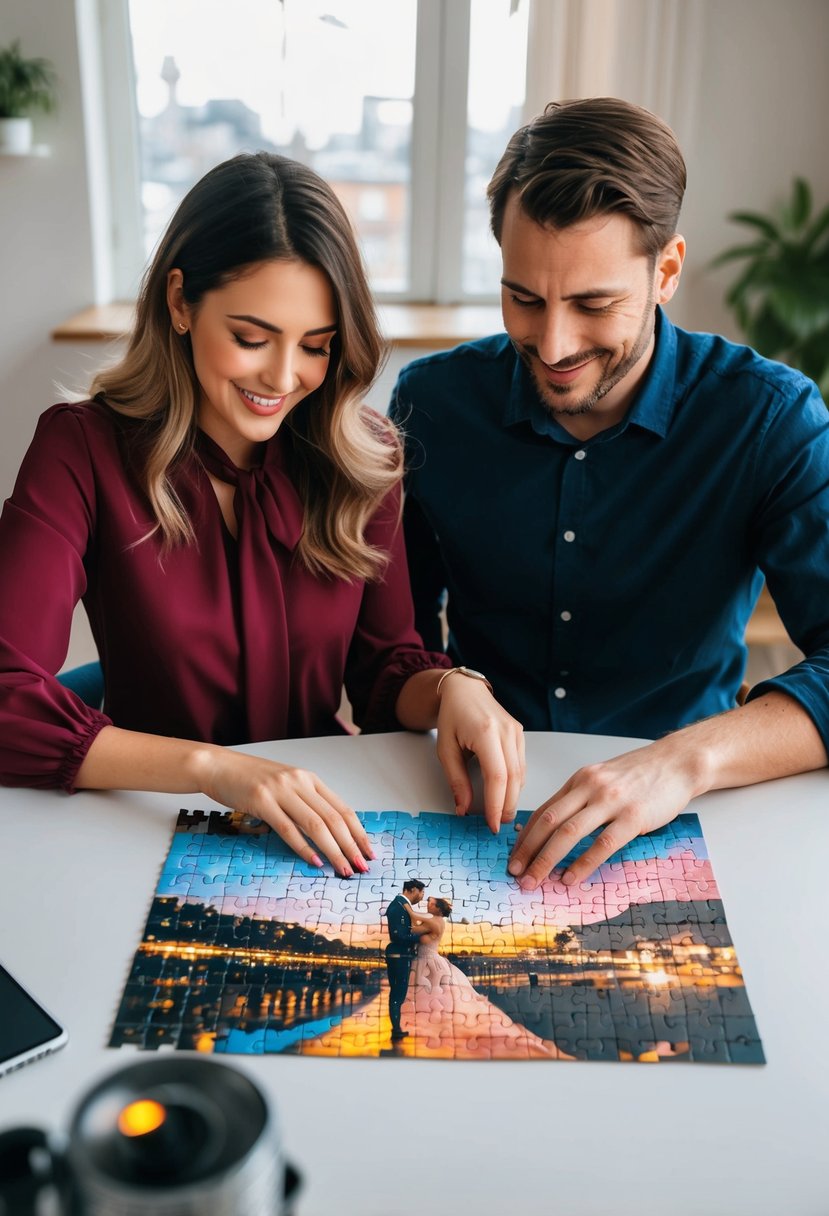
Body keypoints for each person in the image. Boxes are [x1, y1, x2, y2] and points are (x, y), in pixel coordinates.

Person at [0, 152, 525, 874]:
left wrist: (454, 690)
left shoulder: (361, 457)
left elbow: (383, 670)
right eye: (252, 338)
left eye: (315, 346)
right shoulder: (80, 450)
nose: (283, 379)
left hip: (324, 827)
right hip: (141, 825)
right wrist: (213, 770)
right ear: (180, 302)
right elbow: (6, 697)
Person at [390, 98, 829, 891]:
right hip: (469, 811)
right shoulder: (435, 403)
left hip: (694, 811)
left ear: (664, 272)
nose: (552, 346)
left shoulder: (769, 418)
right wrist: (445, 687)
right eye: (523, 298)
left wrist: (682, 761)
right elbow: (393, 650)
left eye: (593, 304)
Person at [401, 896, 568, 1058]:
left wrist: (405, 907)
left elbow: (413, 926)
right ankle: (436, 1028)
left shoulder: (433, 921)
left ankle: (437, 1030)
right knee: (435, 997)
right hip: (428, 961)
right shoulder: (433, 921)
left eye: (430, 903)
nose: (427, 904)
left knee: (432, 996)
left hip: (428, 962)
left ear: (437, 908)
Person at [383, 879, 428, 1041]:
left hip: (401, 955)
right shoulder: (398, 906)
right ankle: (396, 1030)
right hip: (399, 955)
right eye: (422, 892)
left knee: (398, 994)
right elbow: (398, 935)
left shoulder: (402, 906)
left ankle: (396, 1029)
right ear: (413, 889)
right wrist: (421, 936)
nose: (422, 897)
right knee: (397, 994)